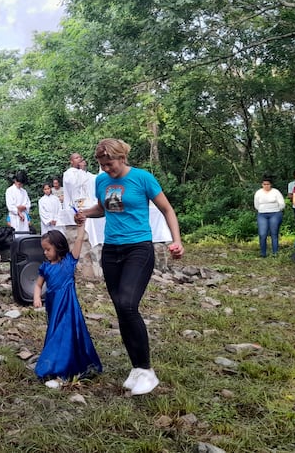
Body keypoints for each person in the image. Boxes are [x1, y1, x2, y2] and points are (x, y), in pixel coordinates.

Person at [77, 138, 184, 396]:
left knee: (127, 303)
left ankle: (147, 370)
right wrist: (85, 214)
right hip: (111, 250)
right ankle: (136, 368)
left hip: (138, 248)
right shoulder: (101, 181)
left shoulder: (143, 178)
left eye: (110, 164)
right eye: (102, 165)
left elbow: (167, 209)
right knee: (121, 309)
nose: (106, 170)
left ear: (122, 158)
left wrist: (176, 240)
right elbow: (104, 209)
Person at [33, 223, 102, 387]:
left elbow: (79, 239)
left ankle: (62, 371)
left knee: (66, 334)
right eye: (44, 249)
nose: (45, 253)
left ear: (58, 247)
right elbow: (38, 285)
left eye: (48, 249)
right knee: (55, 333)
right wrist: (36, 298)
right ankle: (57, 367)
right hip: (54, 307)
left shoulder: (70, 261)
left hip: (69, 307)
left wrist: (82, 224)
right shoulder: (46, 267)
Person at [253, 175, 285, 257]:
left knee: (274, 233)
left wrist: (277, 210)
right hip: (262, 214)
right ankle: (263, 253)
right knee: (262, 233)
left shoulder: (276, 192)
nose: (266, 186)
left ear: (271, 185)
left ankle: (275, 252)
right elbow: (256, 204)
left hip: (275, 213)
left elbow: (282, 203)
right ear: (262, 184)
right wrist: (262, 209)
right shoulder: (258, 192)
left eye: (268, 184)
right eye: (264, 184)